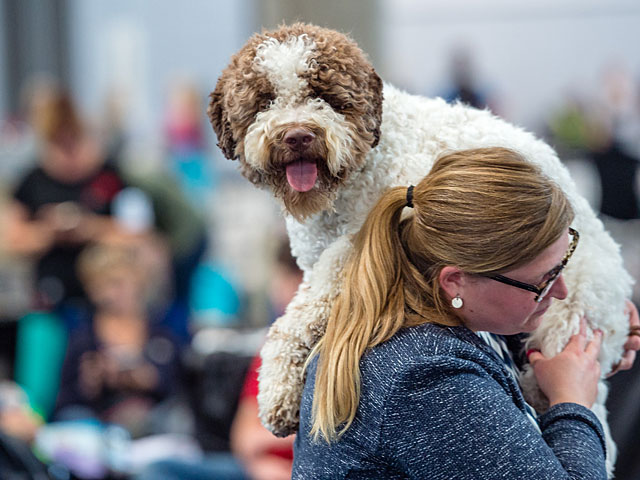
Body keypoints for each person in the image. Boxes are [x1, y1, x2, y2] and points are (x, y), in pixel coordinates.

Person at [293, 147, 639, 479]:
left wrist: (603, 323)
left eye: (563, 265)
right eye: (543, 281)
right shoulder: (425, 378)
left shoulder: (432, 320)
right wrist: (572, 400)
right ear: (455, 282)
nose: (561, 292)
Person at [54, 240, 180, 438]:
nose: (111, 294)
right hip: (98, 423)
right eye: (100, 286)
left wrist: (146, 379)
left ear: (137, 281)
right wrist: (90, 382)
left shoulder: (162, 334)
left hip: (150, 421)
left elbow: (177, 388)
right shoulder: (82, 338)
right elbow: (65, 400)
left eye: (117, 283)